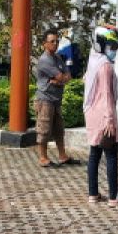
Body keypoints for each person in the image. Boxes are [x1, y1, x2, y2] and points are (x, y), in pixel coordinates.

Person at [84, 25, 118, 205]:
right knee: (112, 156)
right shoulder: (105, 65)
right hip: (104, 115)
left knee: (94, 154)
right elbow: (107, 94)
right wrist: (109, 119)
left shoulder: (93, 61)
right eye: (112, 47)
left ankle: (93, 194)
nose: (114, 51)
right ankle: (114, 197)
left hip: (92, 113)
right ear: (101, 44)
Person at [34, 29, 78, 168]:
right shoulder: (45, 60)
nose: (55, 44)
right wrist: (59, 79)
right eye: (52, 41)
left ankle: (62, 156)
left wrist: (58, 81)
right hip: (45, 99)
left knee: (59, 129)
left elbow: (68, 76)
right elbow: (61, 76)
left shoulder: (57, 57)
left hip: (56, 99)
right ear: (44, 44)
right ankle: (43, 157)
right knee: (44, 129)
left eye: (57, 41)